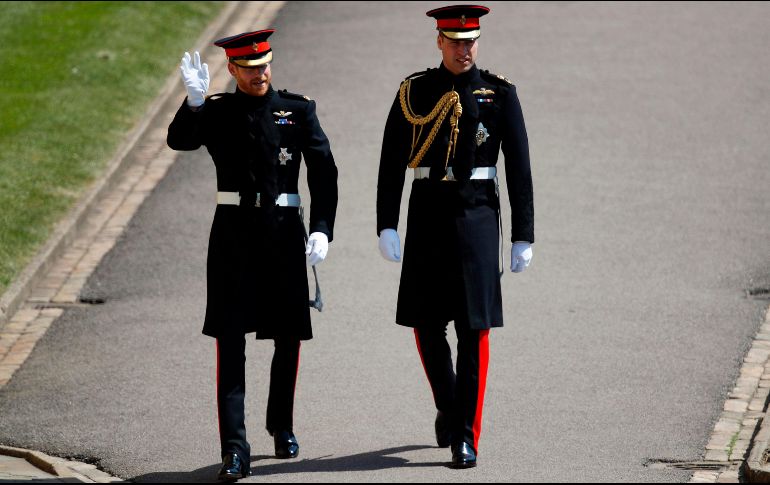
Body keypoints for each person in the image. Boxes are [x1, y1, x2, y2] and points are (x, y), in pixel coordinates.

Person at [167, 29, 338, 481]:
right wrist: (195, 105)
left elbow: (324, 171)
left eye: (264, 65)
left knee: (288, 337)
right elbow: (179, 142)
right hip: (233, 236)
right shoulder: (219, 112)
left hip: (283, 234)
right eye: (249, 67)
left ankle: (281, 425)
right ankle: (235, 449)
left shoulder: (297, 110)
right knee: (230, 341)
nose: (259, 74)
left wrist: (322, 228)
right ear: (233, 70)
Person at [376, 5, 534, 469]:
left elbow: (519, 168)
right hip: (428, 211)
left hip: (478, 215)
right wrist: (387, 222)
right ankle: (448, 403)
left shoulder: (499, 93)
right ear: (439, 42)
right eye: (456, 41)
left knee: (473, 326)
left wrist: (523, 234)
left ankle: (465, 434)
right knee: (426, 324)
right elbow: (390, 161)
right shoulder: (416, 91)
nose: (464, 49)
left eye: (471, 41)